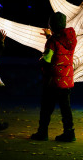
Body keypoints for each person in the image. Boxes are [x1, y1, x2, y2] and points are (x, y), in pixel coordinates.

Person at [31, 12, 77, 142]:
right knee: (66, 108)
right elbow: (60, 45)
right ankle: (69, 133)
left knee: (46, 107)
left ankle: (42, 132)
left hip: (53, 80)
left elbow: (47, 59)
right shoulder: (70, 39)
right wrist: (49, 37)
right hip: (66, 79)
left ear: (52, 25)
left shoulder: (52, 41)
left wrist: (40, 61)